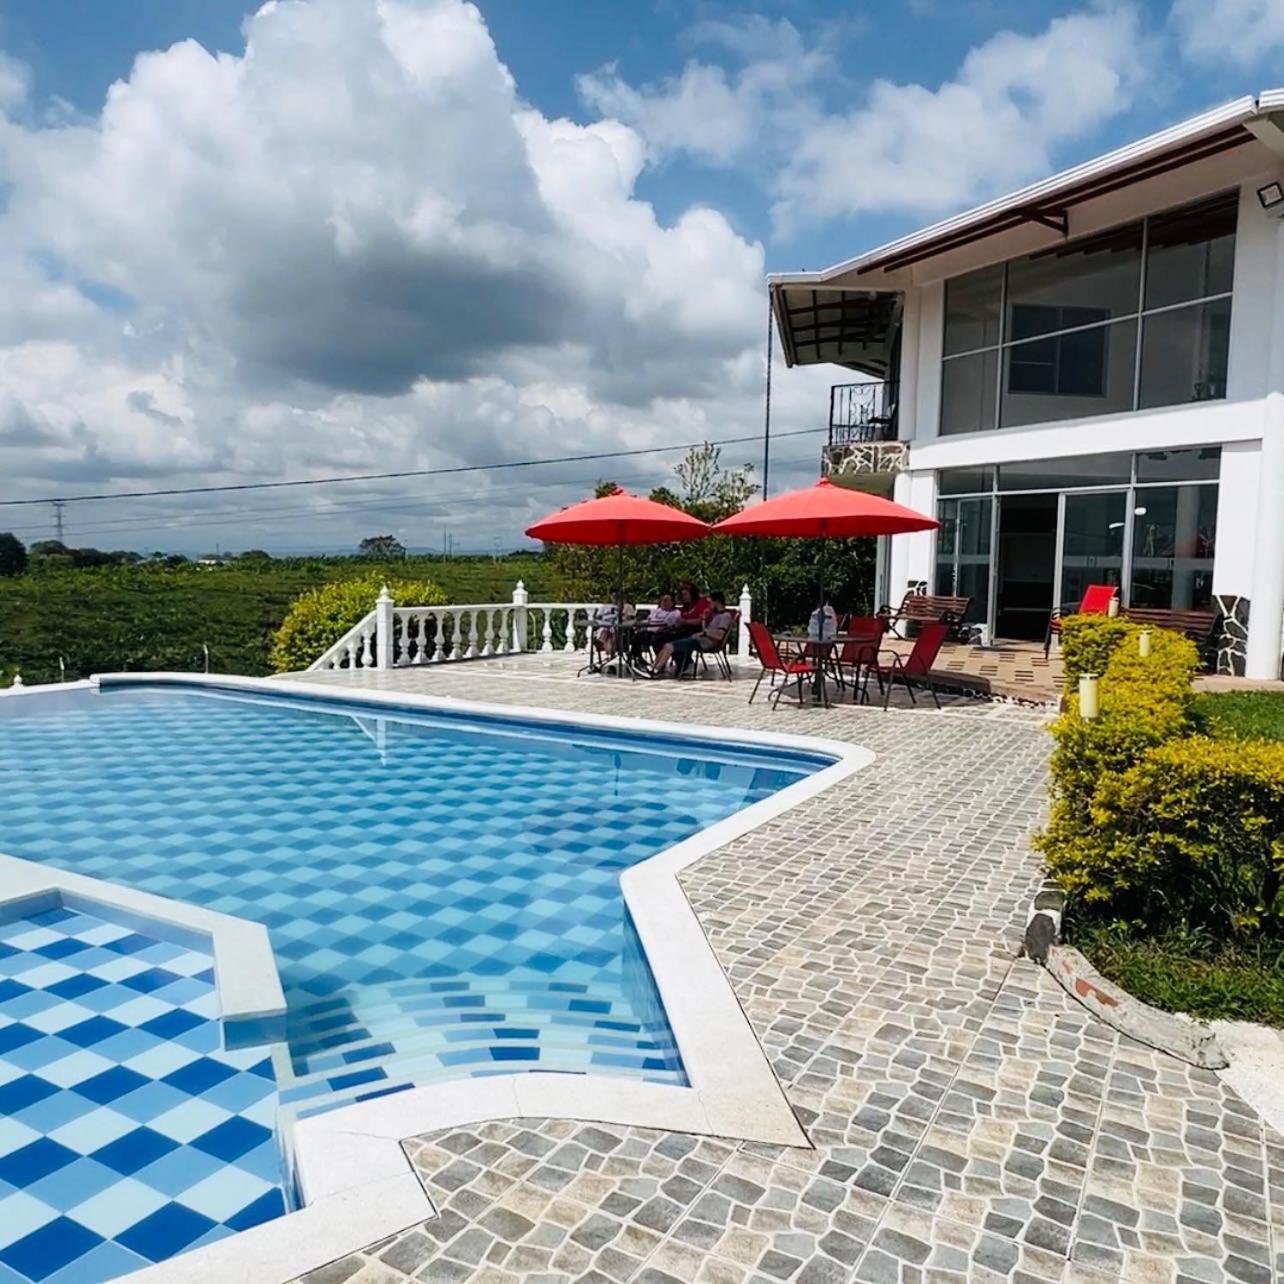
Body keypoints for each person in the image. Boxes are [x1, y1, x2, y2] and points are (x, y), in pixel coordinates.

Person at [652, 591, 731, 677]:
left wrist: (704, 633)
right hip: (701, 639)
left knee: (670, 646)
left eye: (710, 602)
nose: (709, 605)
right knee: (667, 644)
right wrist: (704, 620)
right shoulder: (715, 615)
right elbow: (707, 630)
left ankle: (656, 670)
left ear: (717, 602)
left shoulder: (725, 616)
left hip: (705, 643)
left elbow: (720, 636)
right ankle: (654, 667)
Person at [593, 589, 634, 659]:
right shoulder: (606, 607)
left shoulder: (628, 606)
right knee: (606, 631)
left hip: (622, 629)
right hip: (608, 626)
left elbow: (630, 618)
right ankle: (608, 650)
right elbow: (598, 617)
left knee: (615, 632)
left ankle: (610, 651)